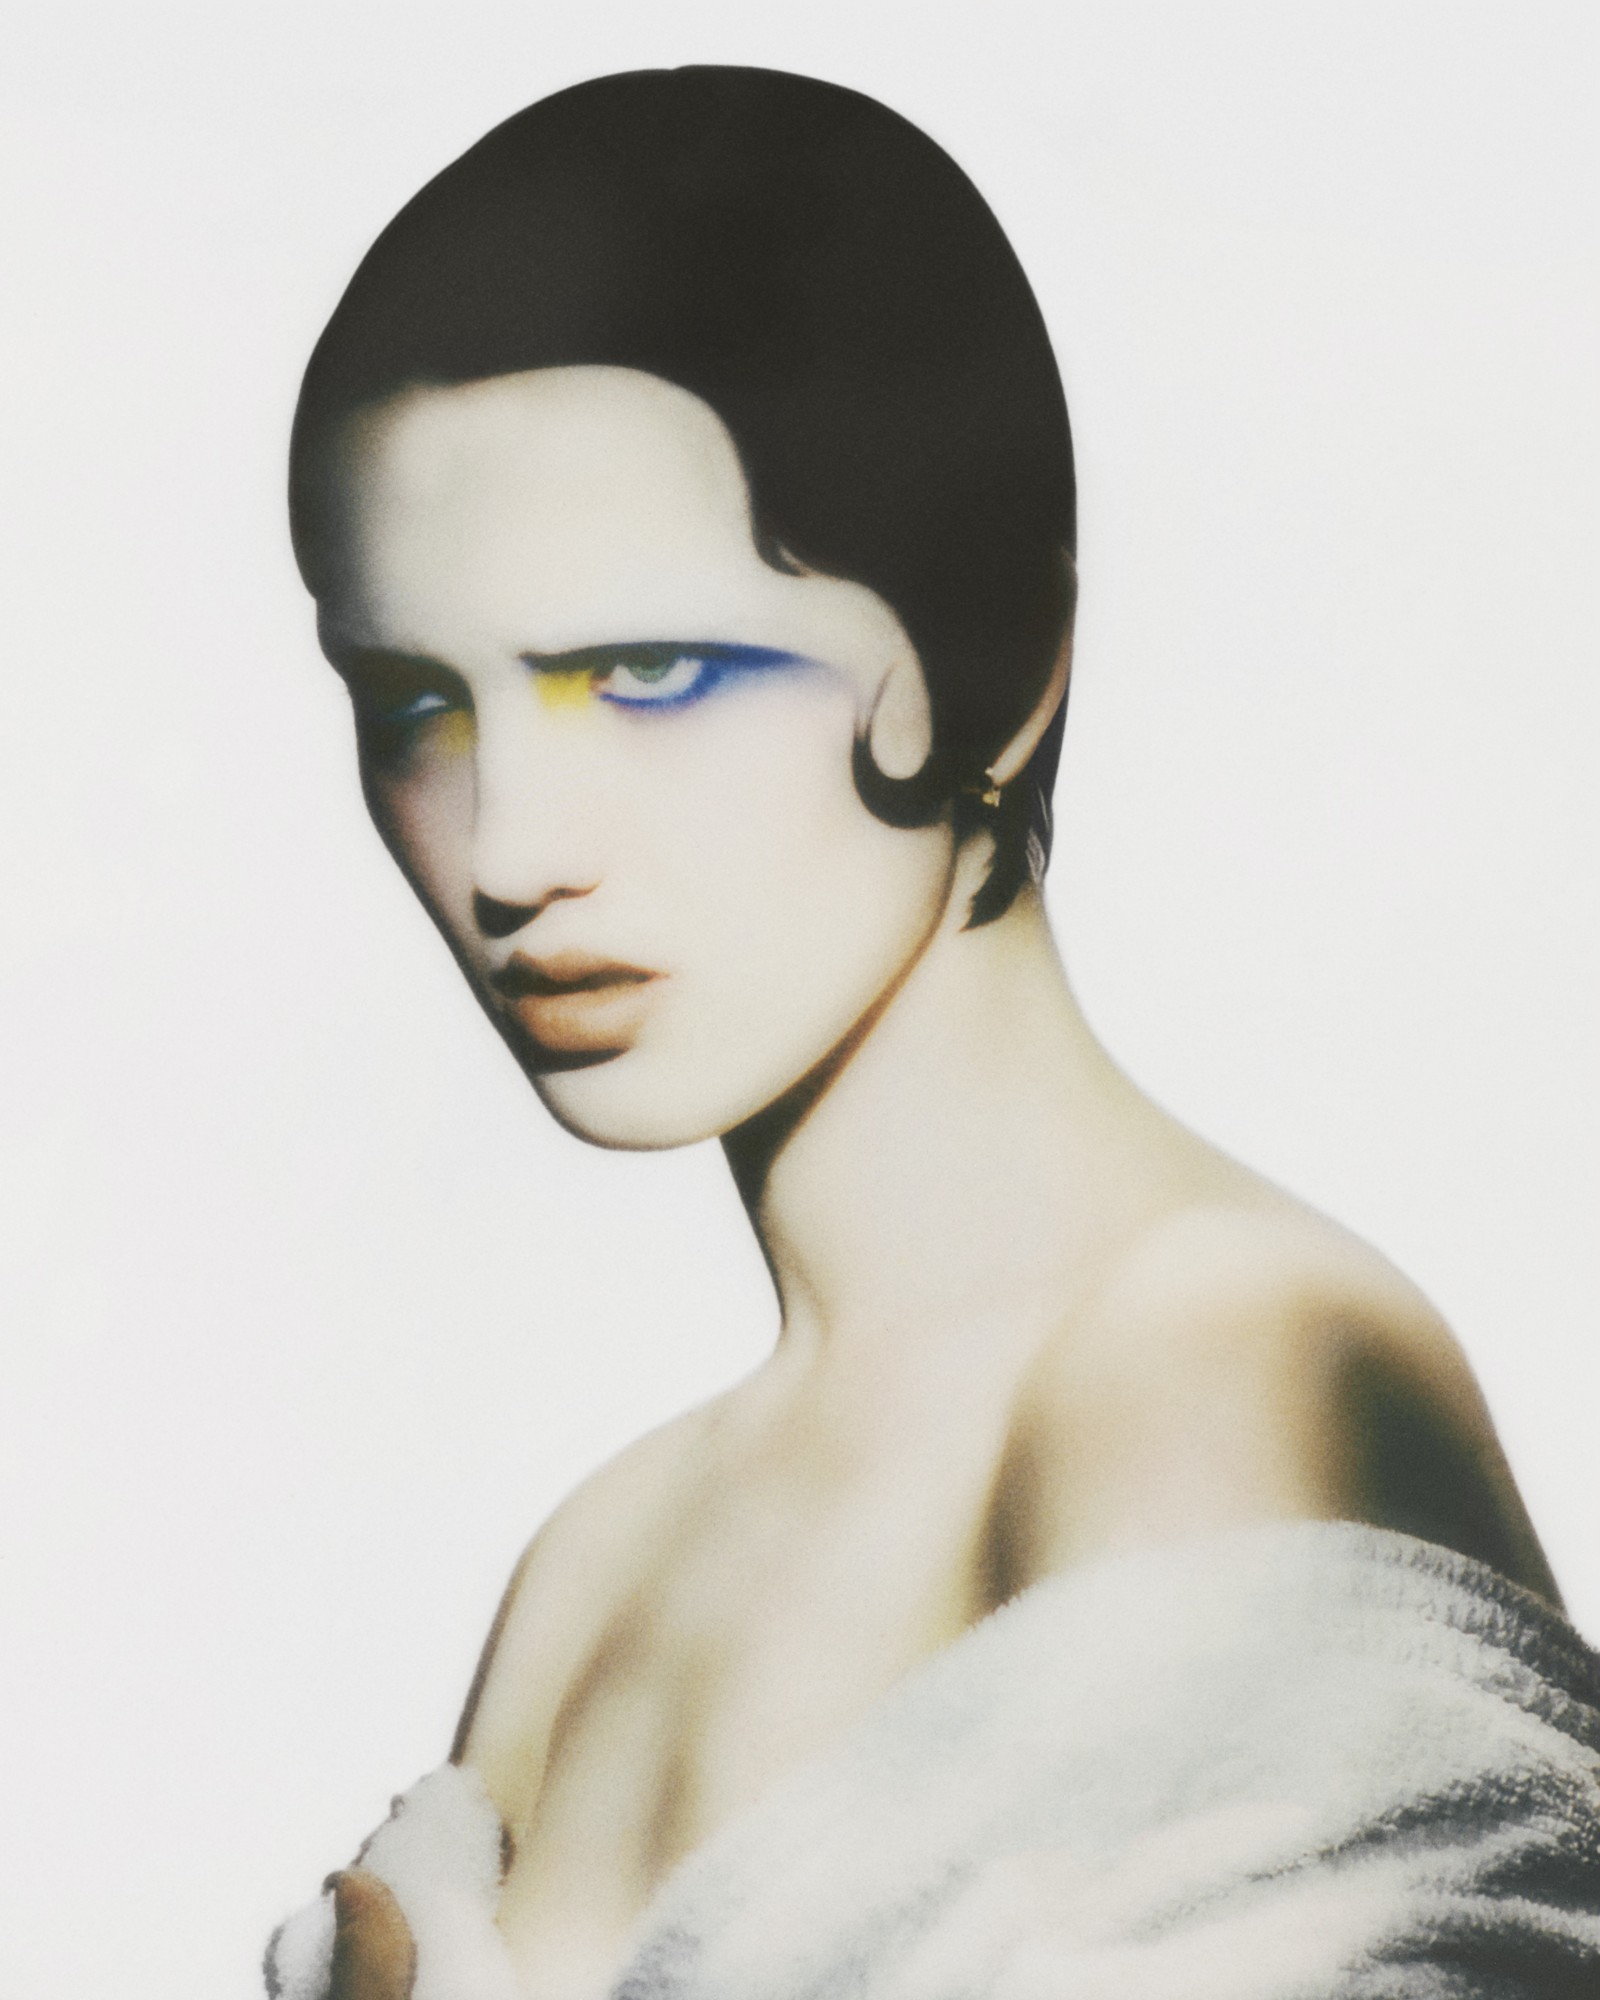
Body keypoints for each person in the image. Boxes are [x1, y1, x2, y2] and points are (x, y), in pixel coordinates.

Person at [268, 67, 1599, 2000]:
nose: (510, 849)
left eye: (648, 671)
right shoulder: (596, 1563)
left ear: (1002, 660)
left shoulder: (1224, 1353)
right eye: (415, 704)